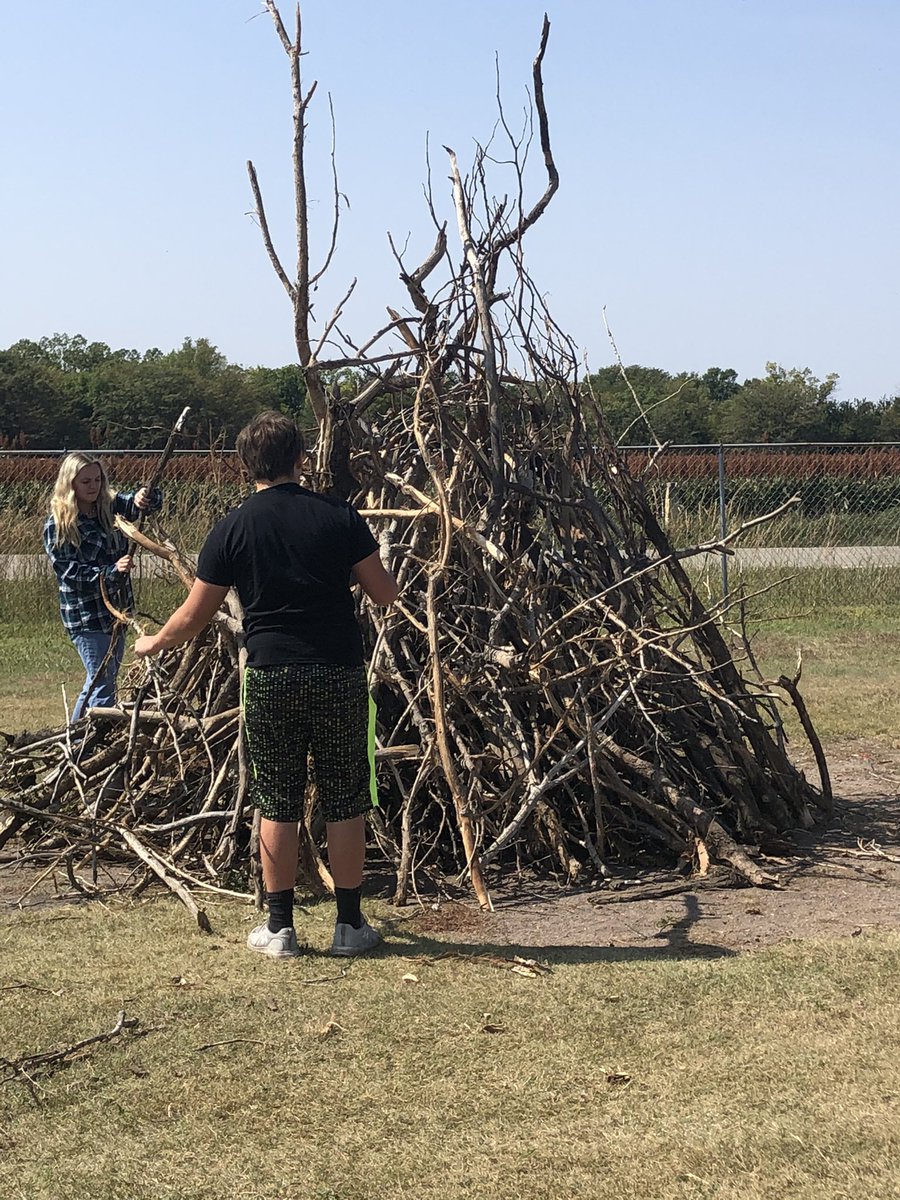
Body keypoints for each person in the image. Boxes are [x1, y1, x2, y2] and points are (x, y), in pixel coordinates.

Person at [134, 411, 399, 960]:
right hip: (338, 671)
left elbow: (194, 615)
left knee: (275, 798)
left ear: (245, 464)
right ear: (300, 457)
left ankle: (280, 929)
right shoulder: (339, 516)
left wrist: (153, 643)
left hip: (270, 675)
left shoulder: (234, 526)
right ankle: (349, 925)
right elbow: (383, 593)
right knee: (347, 796)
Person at [44, 452, 161, 721]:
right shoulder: (59, 524)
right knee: (102, 682)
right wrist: (110, 572)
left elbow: (139, 505)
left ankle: (80, 739)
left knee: (102, 680)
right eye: (85, 481)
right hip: (86, 615)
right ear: (70, 483)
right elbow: (70, 574)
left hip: (117, 611)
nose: (93, 486)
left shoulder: (108, 506)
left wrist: (146, 496)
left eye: (97, 479)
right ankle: (83, 742)